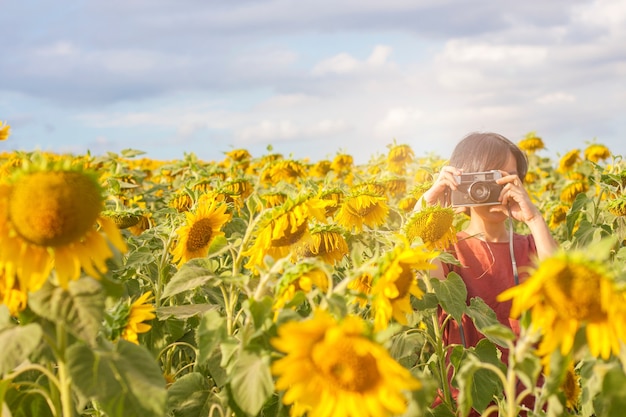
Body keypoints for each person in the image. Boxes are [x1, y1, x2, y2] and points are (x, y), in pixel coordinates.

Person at [416, 132, 558, 415]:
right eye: (489, 179)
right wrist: (426, 206)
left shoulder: (532, 245)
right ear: (462, 182)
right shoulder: (446, 249)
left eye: (508, 178)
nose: (499, 189)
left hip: (530, 399)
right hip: (466, 400)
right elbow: (421, 275)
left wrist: (534, 219)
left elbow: (564, 288)